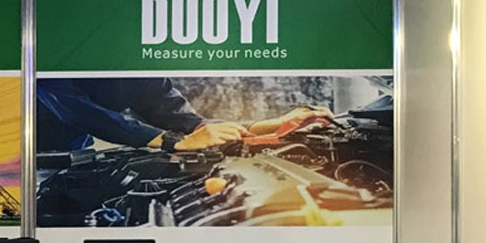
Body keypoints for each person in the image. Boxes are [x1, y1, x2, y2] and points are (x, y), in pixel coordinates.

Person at [36, 77, 330, 153]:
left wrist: (272, 127)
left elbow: (190, 124)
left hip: (73, 154)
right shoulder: (65, 43)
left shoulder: (142, 72)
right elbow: (79, 110)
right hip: (25, 162)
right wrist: (171, 142)